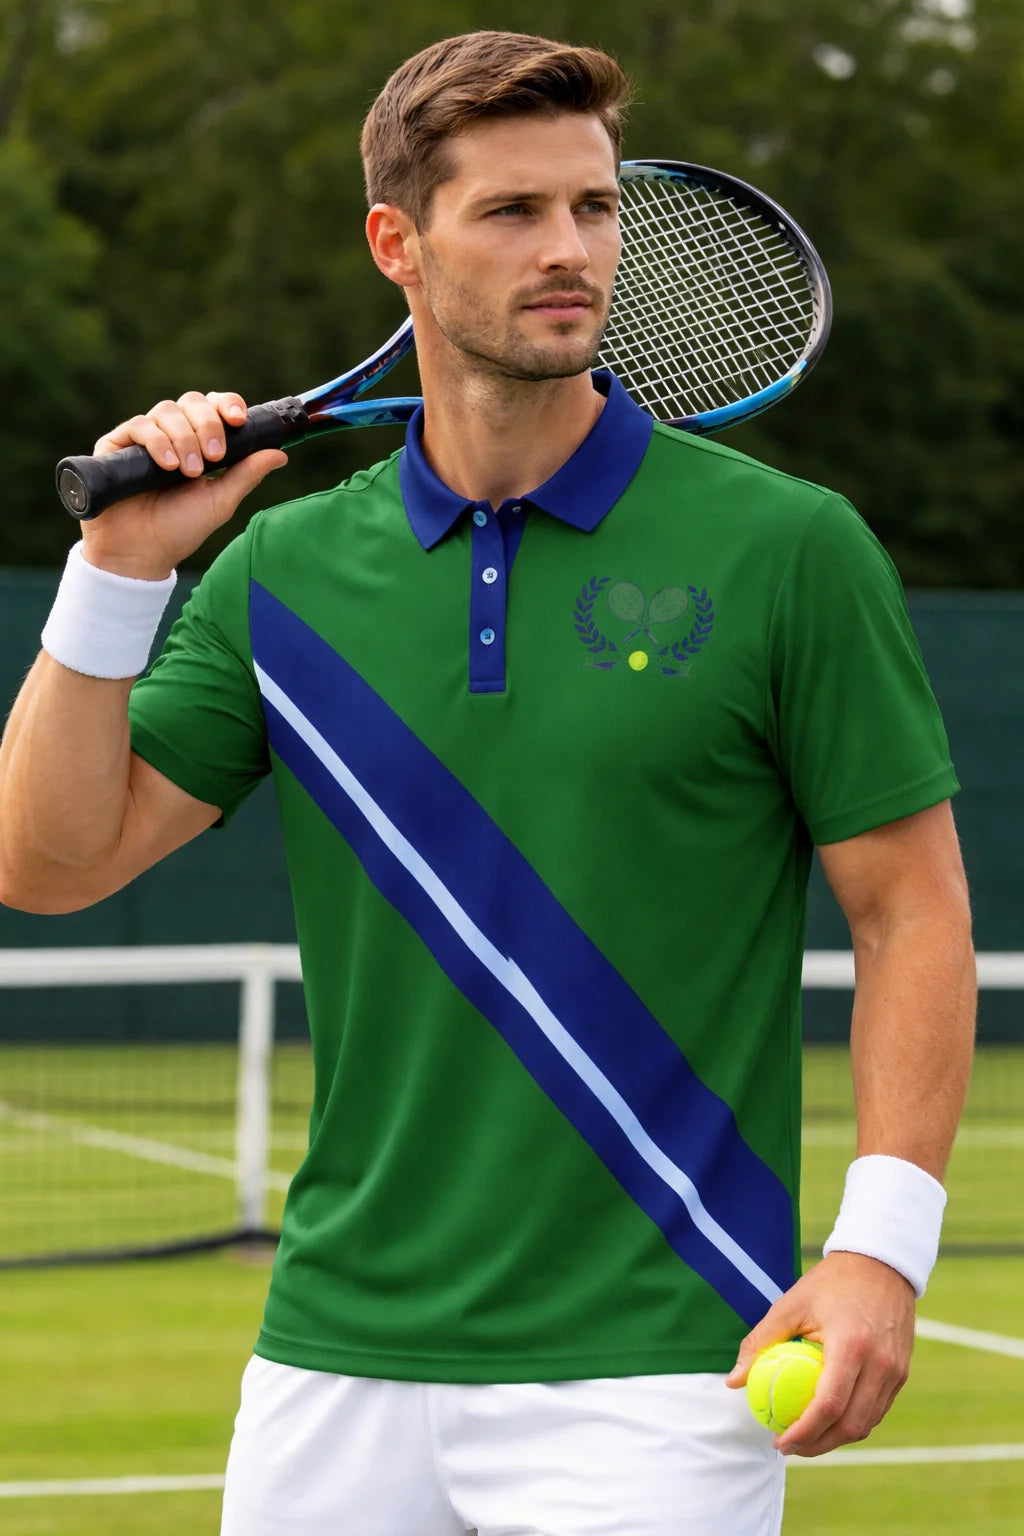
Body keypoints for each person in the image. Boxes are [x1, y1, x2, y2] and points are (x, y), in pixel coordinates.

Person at [0, 29, 975, 1536]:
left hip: (664, 1371)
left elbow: (911, 912)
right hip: (332, 1366)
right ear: (398, 243)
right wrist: (116, 572)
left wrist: (882, 1250)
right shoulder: (283, 568)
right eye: (513, 212)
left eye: (594, 208)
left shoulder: (790, 551)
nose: (571, 248)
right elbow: (50, 863)